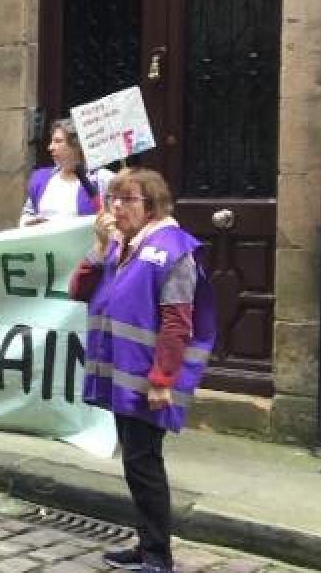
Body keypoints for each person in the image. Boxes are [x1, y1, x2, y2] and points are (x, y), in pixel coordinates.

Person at [68, 168, 216, 573]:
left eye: (128, 199)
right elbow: (77, 290)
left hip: (148, 380)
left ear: (152, 206)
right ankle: (147, 543)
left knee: (144, 463)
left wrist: (162, 381)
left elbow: (177, 323)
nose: (117, 206)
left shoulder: (173, 249)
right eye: (114, 198)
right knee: (136, 463)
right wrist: (99, 245)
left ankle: (157, 556)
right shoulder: (119, 244)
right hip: (122, 373)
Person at [20, 118, 114, 226]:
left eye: (58, 141)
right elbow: (27, 214)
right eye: (52, 141)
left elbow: (116, 218)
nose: (50, 147)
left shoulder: (102, 179)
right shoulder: (41, 178)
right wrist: (30, 222)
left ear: (76, 146)